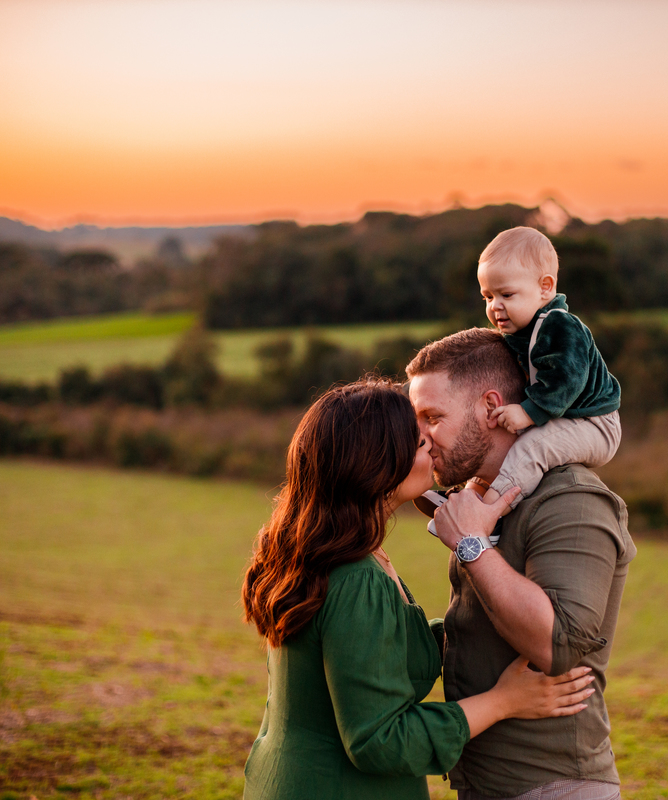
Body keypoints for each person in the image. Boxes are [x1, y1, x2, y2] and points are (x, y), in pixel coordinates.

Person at [240, 380, 597, 800]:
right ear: (373, 464)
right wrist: (504, 702)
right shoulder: (355, 578)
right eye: (415, 441)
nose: (429, 446)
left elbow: (377, 652)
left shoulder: (331, 552)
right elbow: (381, 740)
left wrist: (496, 617)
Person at [407, 330, 637, 800]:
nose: (422, 438)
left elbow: (558, 645)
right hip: (486, 783)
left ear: (491, 406)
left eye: (433, 417)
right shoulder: (483, 499)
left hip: (552, 786)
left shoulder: (571, 499)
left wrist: (472, 545)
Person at [474, 226, 622, 510]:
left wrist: (530, 412)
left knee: (533, 447)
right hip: (565, 417)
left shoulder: (559, 325)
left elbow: (567, 379)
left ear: (545, 287)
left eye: (506, 294)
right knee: (502, 435)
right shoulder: (522, 331)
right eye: (488, 297)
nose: (496, 307)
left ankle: (489, 512)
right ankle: (475, 491)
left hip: (594, 422)